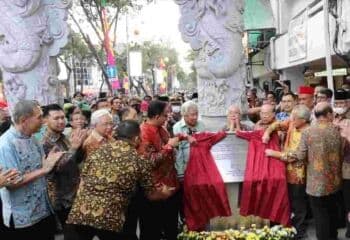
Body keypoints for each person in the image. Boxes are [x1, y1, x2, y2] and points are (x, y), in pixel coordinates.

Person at [65, 120, 174, 240]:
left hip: (79, 213)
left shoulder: (97, 153)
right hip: (109, 218)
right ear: (137, 139)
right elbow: (152, 195)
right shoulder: (139, 161)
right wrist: (166, 192)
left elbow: (83, 181)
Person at [275, 102, 342, 240]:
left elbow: (299, 156)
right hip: (334, 180)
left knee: (320, 215)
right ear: (329, 114)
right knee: (332, 211)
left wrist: (277, 154)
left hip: (316, 182)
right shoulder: (336, 129)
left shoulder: (308, 132)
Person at [0, 100, 63, 239]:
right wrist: (44, 169)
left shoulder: (33, 139)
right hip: (22, 217)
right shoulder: (5, 145)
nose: (44, 121)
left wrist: (50, 163)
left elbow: (42, 166)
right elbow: (12, 183)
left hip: (43, 210)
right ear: (24, 120)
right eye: (39, 117)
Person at [264, 105, 311, 239]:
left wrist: (275, 154)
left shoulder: (307, 132)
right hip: (285, 170)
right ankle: (287, 227)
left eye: (295, 118)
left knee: (298, 203)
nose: (291, 119)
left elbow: (296, 156)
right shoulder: (292, 123)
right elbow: (277, 124)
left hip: (299, 173)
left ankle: (299, 231)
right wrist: (267, 133)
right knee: (288, 200)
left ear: (303, 120)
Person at [137, 100, 182, 240]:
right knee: (152, 230)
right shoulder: (143, 132)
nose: (168, 117)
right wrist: (169, 147)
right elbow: (149, 162)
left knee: (171, 227)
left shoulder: (162, 128)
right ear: (156, 116)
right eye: (165, 114)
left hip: (171, 185)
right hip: (155, 189)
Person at [41, 104, 87, 230]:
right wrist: (73, 148)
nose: (61, 121)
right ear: (45, 120)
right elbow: (56, 168)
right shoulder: (45, 142)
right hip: (62, 199)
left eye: (63, 117)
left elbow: (75, 161)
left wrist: (80, 147)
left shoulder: (64, 137)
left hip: (75, 193)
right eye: (56, 118)